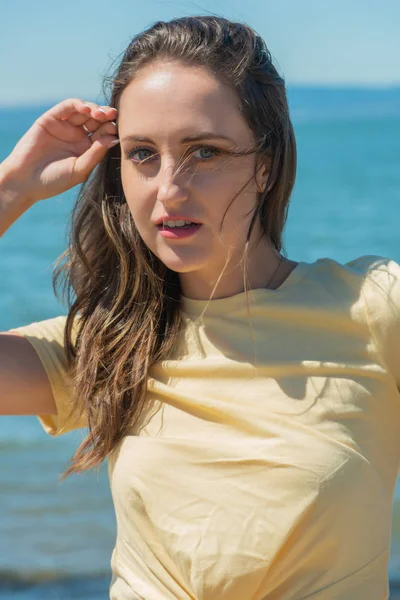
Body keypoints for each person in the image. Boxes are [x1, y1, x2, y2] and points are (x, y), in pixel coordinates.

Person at [0, 14, 399, 600]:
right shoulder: (110, 344)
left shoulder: (372, 308)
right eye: (141, 155)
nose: (168, 189)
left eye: (204, 152)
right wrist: (13, 186)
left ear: (265, 164)